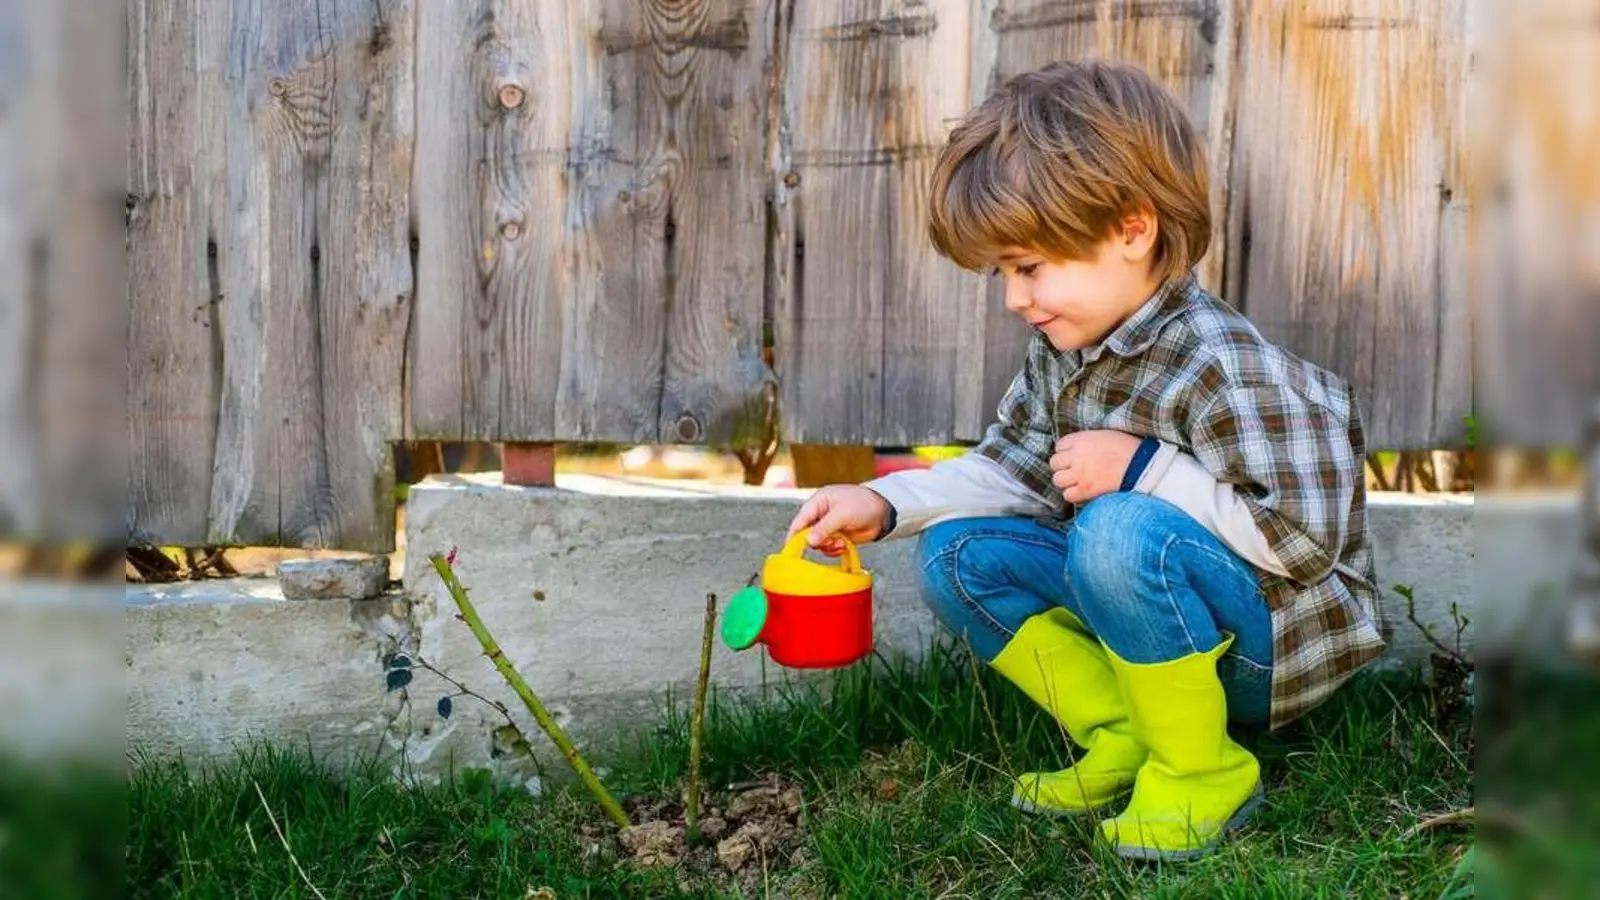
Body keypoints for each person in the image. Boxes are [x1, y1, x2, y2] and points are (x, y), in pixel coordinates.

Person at [784, 59, 1388, 862]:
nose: (1013, 298)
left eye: (1029, 267)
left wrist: (1144, 472)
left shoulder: (1220, 363)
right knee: (956, 555)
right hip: (1169, 621)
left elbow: (1304, 543)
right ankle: (1124, 733)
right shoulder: (1066, 348)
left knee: (1115, 529)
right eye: (1003, 273)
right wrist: (884, 504)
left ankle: (1204, 768)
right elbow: (1012, 471)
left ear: (1132, 230)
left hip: (1265, 654)